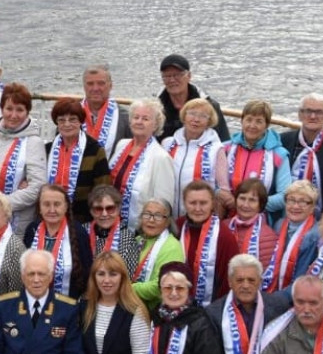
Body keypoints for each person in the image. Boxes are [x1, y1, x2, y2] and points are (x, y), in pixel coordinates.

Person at [0, 82, 46, 230]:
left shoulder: (34, 142)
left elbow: (36, 188)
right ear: (1, 109)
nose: (13, 115)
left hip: (17, 222)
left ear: (27, 112)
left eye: (19, 110)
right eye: (9, 109)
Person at [110, 97, 174, 230]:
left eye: (145, 119)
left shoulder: (161, 158)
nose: (139, 122)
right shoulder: (122, 145)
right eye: (136, 117)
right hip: (111, 221)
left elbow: (163, 204)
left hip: (139, 229)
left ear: (155, 125)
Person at [164, 97, 232, 219]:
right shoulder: (167, 144)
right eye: (192, 114)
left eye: (203, 116)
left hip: (199, 215)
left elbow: (223, 190)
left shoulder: (216, 149)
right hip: (168, 214)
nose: (196, 119)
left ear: (209, 122)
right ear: (184, 116)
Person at [45, 97, 110, 224]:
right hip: (50, 215)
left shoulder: (95, 150)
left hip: (82, 219)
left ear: (81, 121)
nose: (67, 124)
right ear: (56, 123)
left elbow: (103, 189)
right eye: (61, 120)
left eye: (72, 119)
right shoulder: (47, 150)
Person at [225, 99, 292, 222]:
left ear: (266, 125)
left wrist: (251, 205)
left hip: (262, 220)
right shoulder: (226, 149)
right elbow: (212, 183)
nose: (252, 126)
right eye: (249, 120)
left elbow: (285, 196)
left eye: (259, 121)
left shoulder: (279, 155)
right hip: (226, 214)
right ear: (242, 121)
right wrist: (224, 196)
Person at [24, 184, 93, 298]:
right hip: (34, 300)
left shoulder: (78, 232)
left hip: (69, 303)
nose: (52, 210)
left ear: (66, 207)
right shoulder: (32, 230)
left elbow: (87, 273)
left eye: (57, 204)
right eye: (46, 204)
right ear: (39, 208)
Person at [178, 181, 238, 308]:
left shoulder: (224, 236)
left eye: (203, 203)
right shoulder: (178, 227)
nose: (198, 208)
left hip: (211, 309)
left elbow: (228, 282)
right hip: (176, 302)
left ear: (212, 204)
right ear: (184, 203)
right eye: (192, 203)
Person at [280, 94, 323, 212]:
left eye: (319, 112)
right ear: (299, 114)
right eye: (308, 111)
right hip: (283, 211)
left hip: (319, 217)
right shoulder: (283, 141)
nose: (313, 116)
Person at [156, 54, 230, 143]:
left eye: (177, 75)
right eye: (167, 76)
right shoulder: (156, 108)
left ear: (189, 76)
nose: (172, 80)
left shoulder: (210, 106)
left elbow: (224, 142)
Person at [263, 180, 321, 293]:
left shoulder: (315, 235)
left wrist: (277, 298)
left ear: (312, 207)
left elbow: (302, 278)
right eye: (291, 200)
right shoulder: (279, 225)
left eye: (302, 202)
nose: (295, 206)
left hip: (297, 293)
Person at [132, 198, 185, 313]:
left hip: (155, 312)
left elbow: (160, 286)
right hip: (131, 306)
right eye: (147, 214)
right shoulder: (136, 240)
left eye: (158, 216)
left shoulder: (172, 246)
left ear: (167, 222)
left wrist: (127, 288)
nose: (151, 220)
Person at [85, 185, 141, 275]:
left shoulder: (127, 238)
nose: (104, 214)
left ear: (118, 209)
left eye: (110, 208)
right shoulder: (83, 232)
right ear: (91, 211)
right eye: (98, 209)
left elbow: (128, 277)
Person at [81, 63, 131, 164]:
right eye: (90, 84)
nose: (95, 88)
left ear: (110, 86)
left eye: (101, 83)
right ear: (84, 86)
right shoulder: (71, 115)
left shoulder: (125, 118)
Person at [227, 178, 276, 272]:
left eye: (252, 200)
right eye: (242, 198)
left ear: (260, 205)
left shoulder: (269, 236)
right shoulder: (223, 227)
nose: (245, 205)